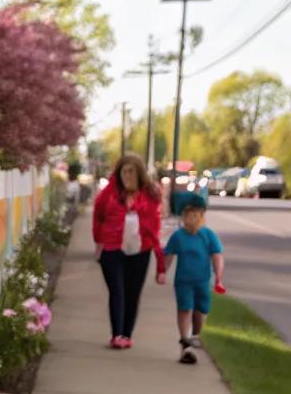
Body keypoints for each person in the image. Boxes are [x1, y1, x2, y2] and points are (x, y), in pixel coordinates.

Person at [92, 153, 164, 348]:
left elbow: (155, 221)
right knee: (117, 290)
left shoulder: (150, 194)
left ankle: (126, 334)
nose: (127, 175)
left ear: (139, 173)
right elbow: (98, 216)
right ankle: (116, 335)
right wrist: (98, 242)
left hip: (141, 250)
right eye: (124, 171)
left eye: (131, 171)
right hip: (112, 248)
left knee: (133, 293)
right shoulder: (109, 193)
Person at [159, 193, 225, 364]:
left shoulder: (208, 235)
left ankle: (195, 335)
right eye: (189, 215)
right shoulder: (178, 236)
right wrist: (162, 272)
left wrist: (219, 277)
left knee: (201, 311)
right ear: (183, 217)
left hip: (203, 281)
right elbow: (169, 256)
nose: (193, 219)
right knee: (185, 309)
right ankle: (185, 344)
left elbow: (217, 256)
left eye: (197, 215)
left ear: (202, 217)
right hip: (183, 282)